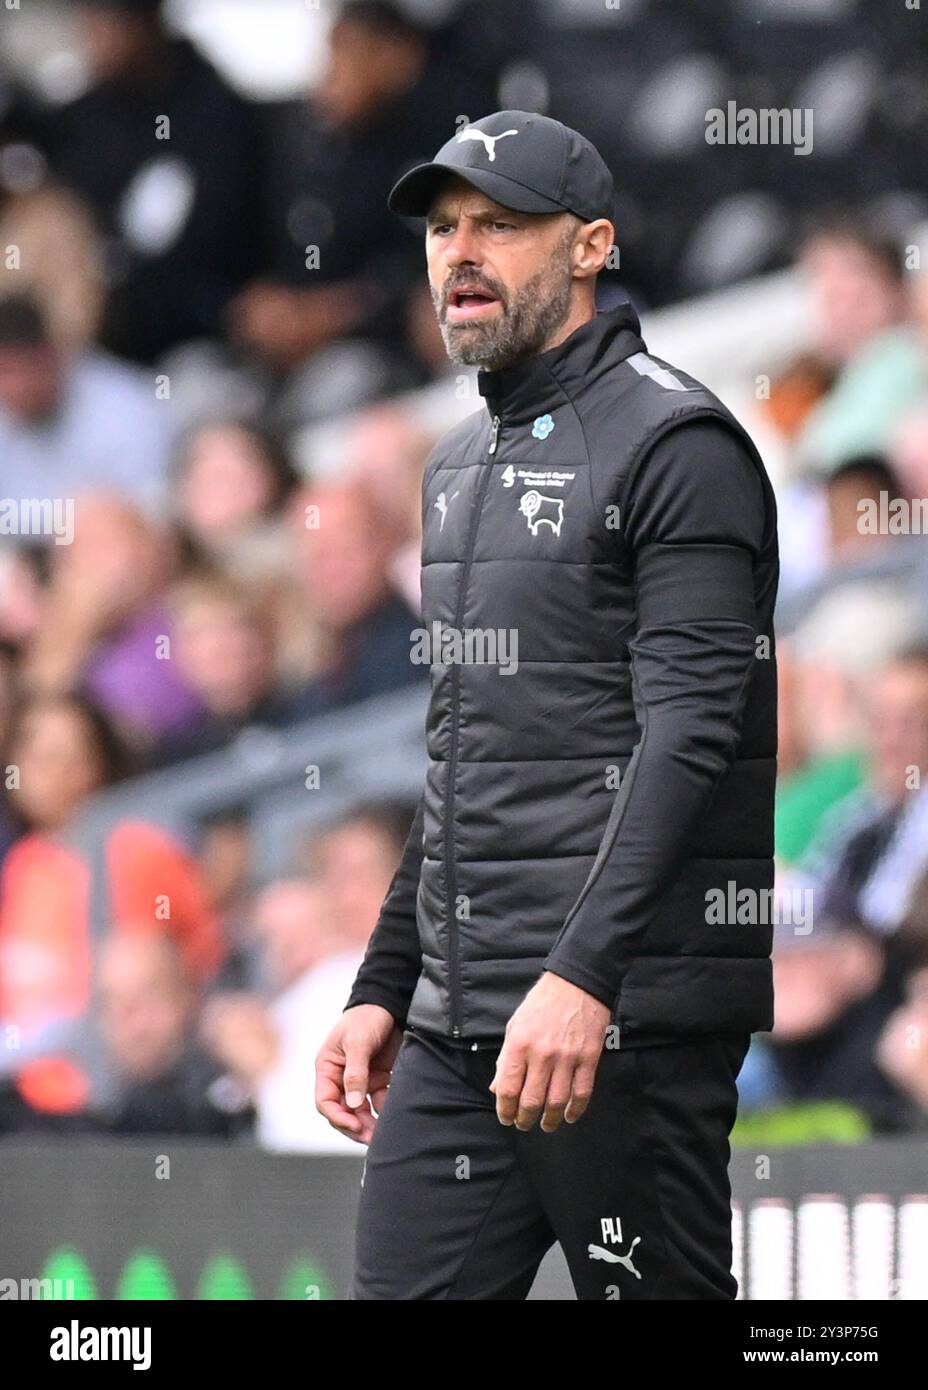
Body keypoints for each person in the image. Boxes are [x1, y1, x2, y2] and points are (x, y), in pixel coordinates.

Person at [315, 110, 780, 1300]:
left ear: (590, 247)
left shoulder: (679, 444)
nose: (459, 252)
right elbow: (463, 755)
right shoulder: (457, 464)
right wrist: (382, 986)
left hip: (617, 1022)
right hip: (459, 1021)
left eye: (501, 225)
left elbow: (691, 735)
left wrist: (582, 981)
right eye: (444, 226)